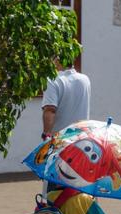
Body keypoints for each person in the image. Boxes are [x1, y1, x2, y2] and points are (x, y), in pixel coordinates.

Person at [41, 62, 91, 194]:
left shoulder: (53, 80)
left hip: (60, 145)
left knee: (56, 192)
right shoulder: (85, 80)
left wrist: (46, 136)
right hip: (82, 143)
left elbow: (50, 110)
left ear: (57, 59)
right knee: (80, 188)